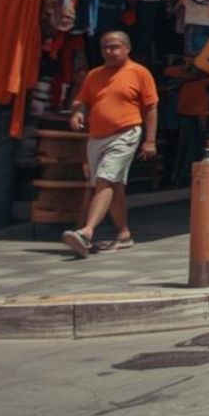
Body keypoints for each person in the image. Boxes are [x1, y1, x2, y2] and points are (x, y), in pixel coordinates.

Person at [63, 32, 157, 257]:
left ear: (127, 48)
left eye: (114, 47)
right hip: (96, 137)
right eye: (105, 47)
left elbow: (151, 107)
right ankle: (124, 234)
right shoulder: (94, 75)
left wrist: (150, 140)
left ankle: (86, 232)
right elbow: (81, 100)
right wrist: (77, 113)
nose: (109, 52)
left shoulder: (139, 72)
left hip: (126, 133)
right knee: (114, 187)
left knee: (104, 181)